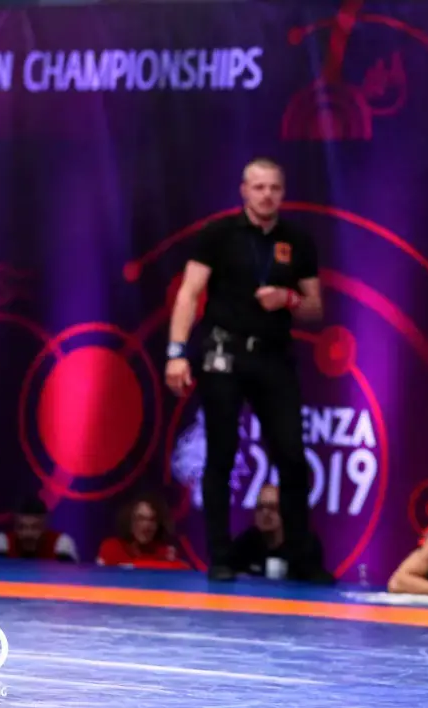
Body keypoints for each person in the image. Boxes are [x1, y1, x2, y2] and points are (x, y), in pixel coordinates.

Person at [165, 157, 333, 585]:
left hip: (273, 356)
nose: (266, 195)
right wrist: (176, 352)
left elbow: (315, 308)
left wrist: (288, 299)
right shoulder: (218, 233)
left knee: (292, 456)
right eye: (259, 187)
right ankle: (220, 556)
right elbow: (189, 294)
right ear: (243, 190)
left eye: (274, 187)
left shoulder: (296, 239)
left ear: (283, 191)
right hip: (224, 353)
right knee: (221, 453)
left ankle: (301, 559)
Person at [0, 494, 78, 563]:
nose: (28, 533)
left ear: (45, 526)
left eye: (35, 527)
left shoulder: (61, 545)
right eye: (21, 527)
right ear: (14, 526)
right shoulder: (2, 544)